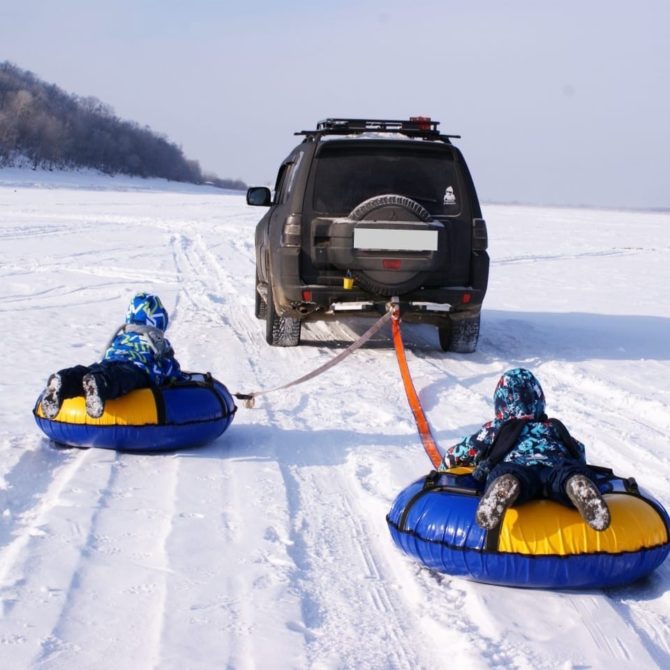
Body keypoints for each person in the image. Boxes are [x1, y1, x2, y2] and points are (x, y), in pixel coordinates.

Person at [440, 368, 611, 532]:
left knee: (510, 473)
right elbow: (578, 450)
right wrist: (577, 469)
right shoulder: (553, 426)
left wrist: (444, 470)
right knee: (564, 475)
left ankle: (507, 484)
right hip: (555, 463)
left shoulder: (497, 428)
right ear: (539, 401)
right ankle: (574, 483)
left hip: (518, 464)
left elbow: (460, 452)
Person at [41, 292, 186, 419]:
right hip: (137, 366)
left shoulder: (121, 336)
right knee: (121, 377)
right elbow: (169, 366)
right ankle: (100, 383)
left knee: (89, 370)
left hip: (108, 362)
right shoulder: (159, 342)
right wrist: (176, 376)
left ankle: (65, 379)